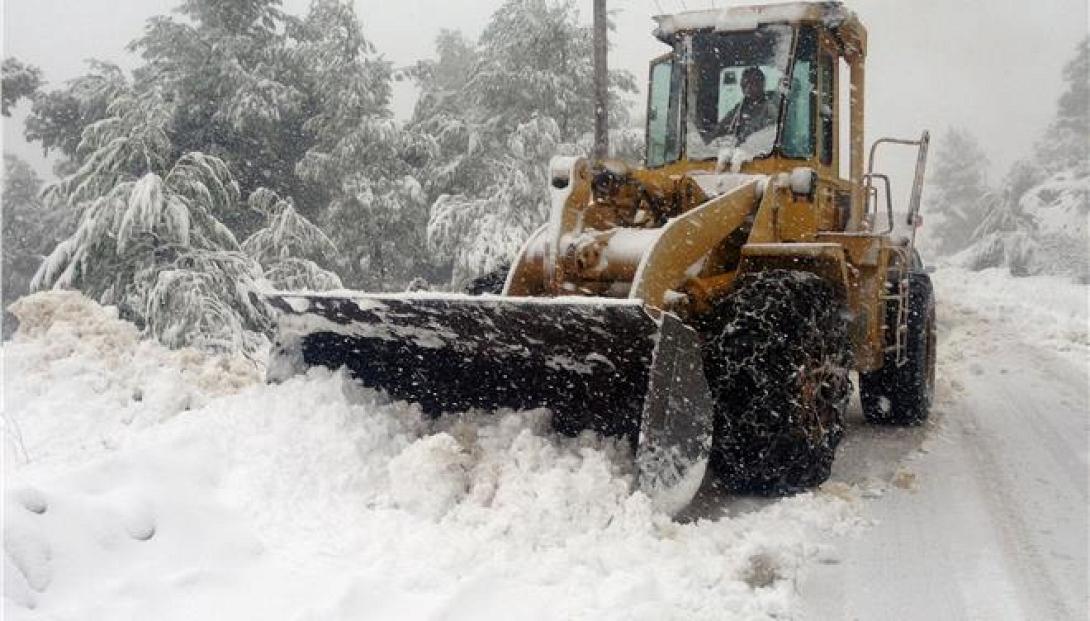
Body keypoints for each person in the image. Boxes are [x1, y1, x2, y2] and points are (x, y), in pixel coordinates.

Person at [712, 66, 779, 145]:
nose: (748, 88)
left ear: (762, 84)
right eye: (744, 84)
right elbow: (720, 128)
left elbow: (772, 131)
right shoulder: (740, 108)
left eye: (753, 83)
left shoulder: (771, 105)